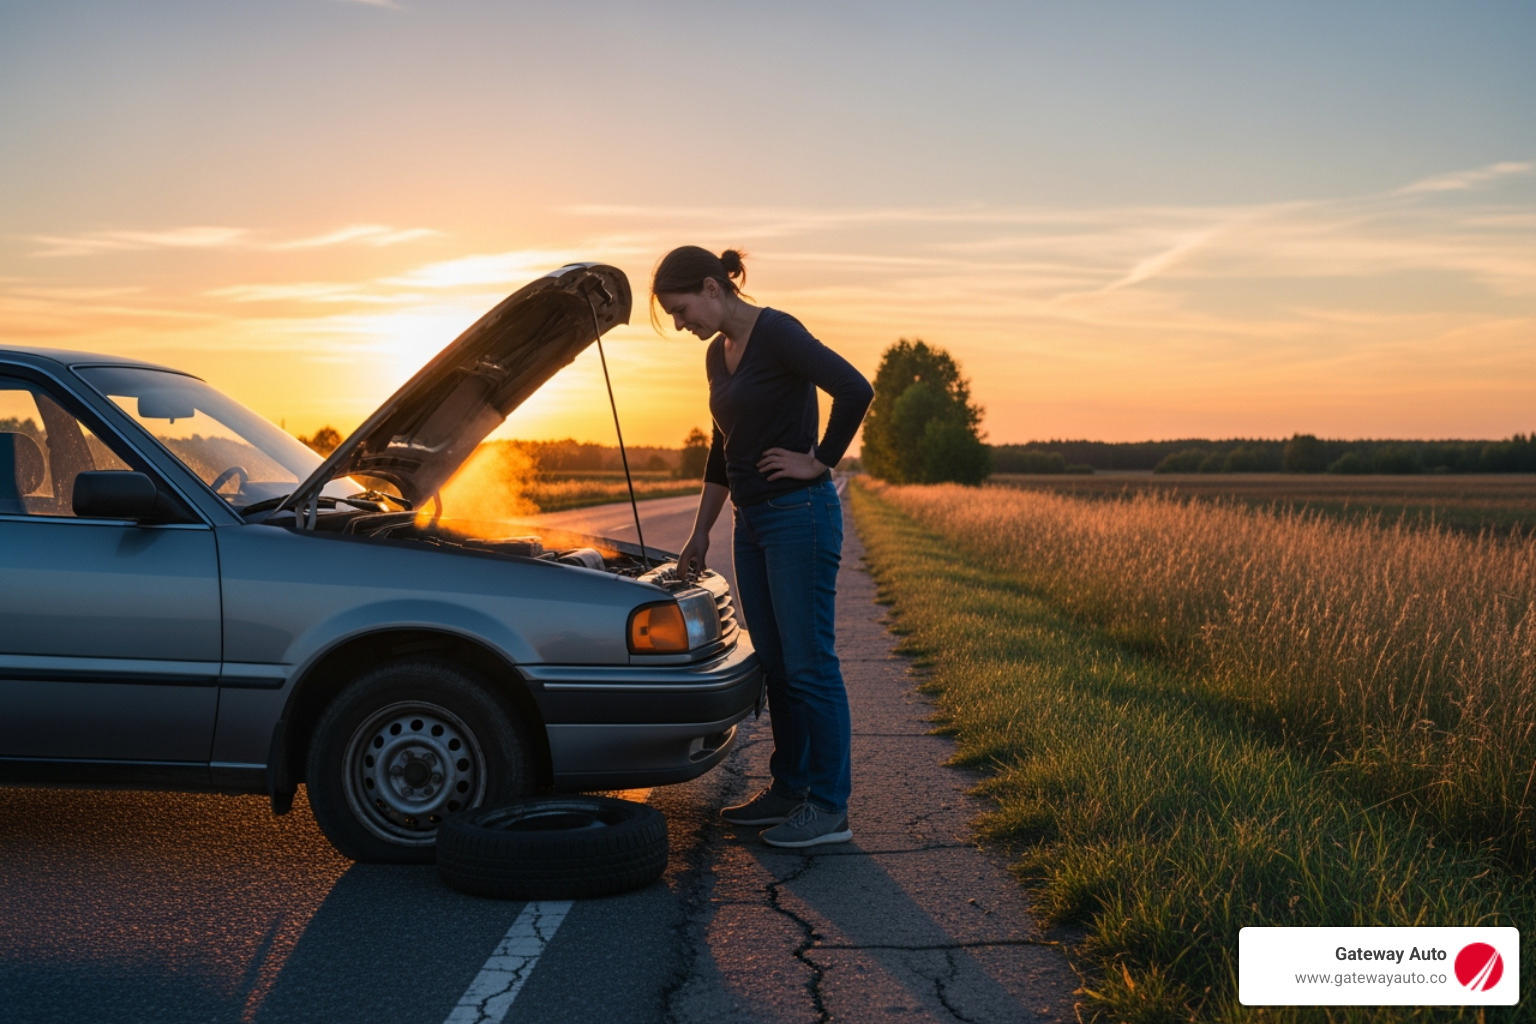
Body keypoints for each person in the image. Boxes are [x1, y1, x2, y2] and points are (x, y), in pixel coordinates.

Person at [652, 246, 873, 849]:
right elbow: (721, 446)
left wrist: (818, 461)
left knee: (809, 664)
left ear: (711, 287)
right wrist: (701, 530)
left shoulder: (778, 332)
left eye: (680, 310)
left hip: (798, 516)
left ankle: (829, 807)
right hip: (749, 524)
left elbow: (855, 389)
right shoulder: (715, 355)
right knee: (776, 664)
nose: (680, 324)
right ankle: (790, 788)